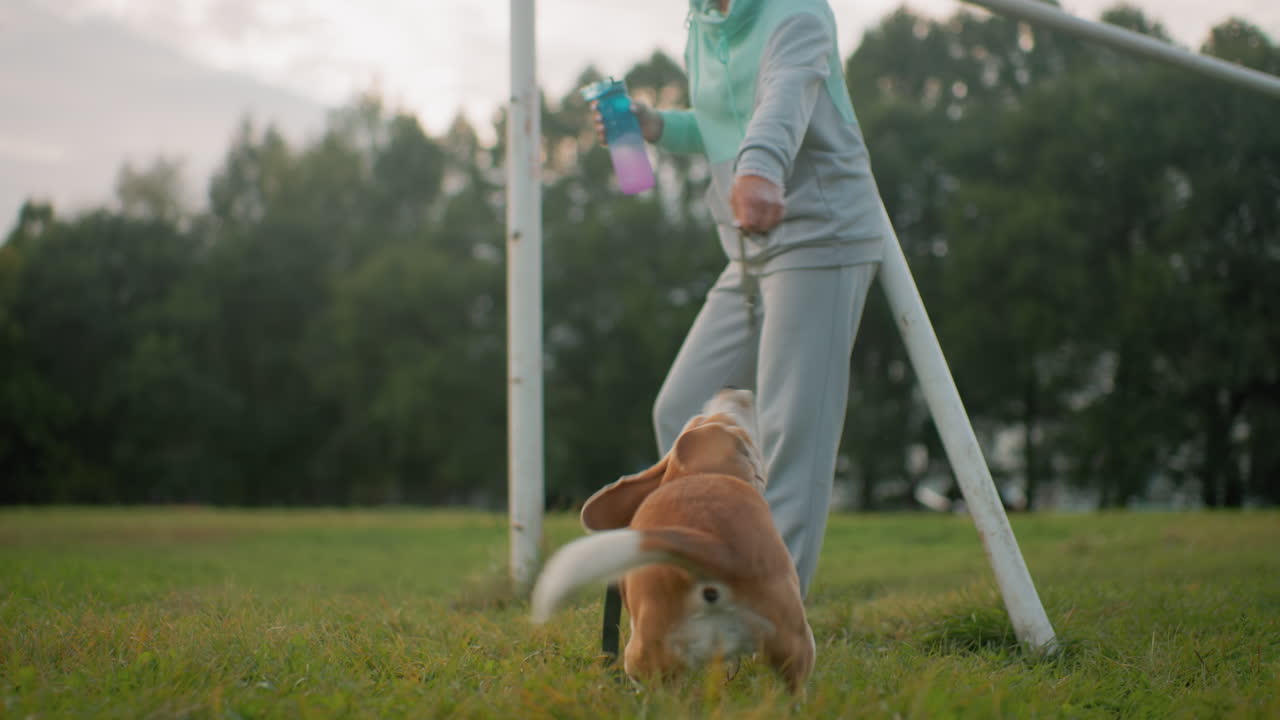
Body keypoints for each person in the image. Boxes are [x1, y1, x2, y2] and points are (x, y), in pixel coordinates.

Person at [594, 0, 895, 597]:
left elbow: (784, 99)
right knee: (680, 410)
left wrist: (760, 167)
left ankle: (770, 613)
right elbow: (720, 124)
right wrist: (653, 125)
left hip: (819, 234)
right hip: (748, 250)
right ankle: (706, 573)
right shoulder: (706, 22)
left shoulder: (798, 12)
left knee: (790, 435)